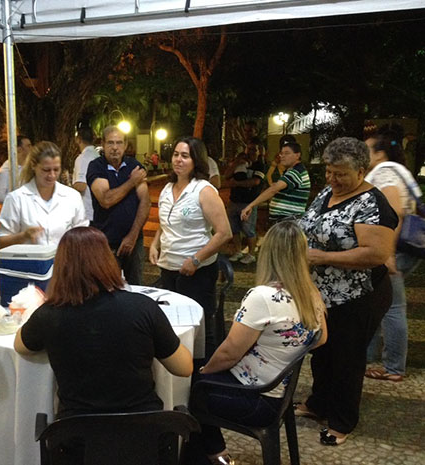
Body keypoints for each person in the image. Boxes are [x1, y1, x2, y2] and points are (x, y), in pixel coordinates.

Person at [15, 226, 193, 419]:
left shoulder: (49, 314)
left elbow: (20, 345)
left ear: (60, 267)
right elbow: (184, 368)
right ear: (108, 261)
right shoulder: (142, 307)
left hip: (76, 435)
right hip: (143, 432)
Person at [189, 221, 327, 465]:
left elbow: (230, 354)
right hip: (280, 392)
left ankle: (214, 455)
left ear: (269, 254)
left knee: (189, 388)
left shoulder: (263, 297)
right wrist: (283, 350)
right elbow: (321, 338)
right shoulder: (311, 292)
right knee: (198, 374)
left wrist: (204, 372)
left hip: (257, 398)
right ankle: (214, 452)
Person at [296, 137, 398, 445]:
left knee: (347, 358)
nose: (332, 179)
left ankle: (342, 420)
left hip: (359, 296)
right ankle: (319, 403)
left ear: (362, 171)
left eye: (340, 173)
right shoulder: (328, 193)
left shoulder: (372, 204)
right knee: (322, 351)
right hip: (323, 293)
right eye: (329, 171)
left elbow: (376, 254)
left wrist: (322, 257)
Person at [149, 137, 232, 329]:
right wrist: (155, 244)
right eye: (176, 155)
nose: (178, 159)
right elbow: (165, 221)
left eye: (185, 156)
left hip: (196, 271)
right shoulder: (167, 188)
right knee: (173, 323)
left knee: (199, 326)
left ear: (196, 160)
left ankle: (203, 360)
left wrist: (196, 260)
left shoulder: (204, 190)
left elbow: (224, 232)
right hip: (169, 268)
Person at [364, 131, 422, 382]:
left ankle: (394, 367)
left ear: (380, 153)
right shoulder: (397, 170)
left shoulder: (385, 171)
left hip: (394, 249)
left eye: (367, 149)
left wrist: (387, 254)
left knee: (392, 307)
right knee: (378, 301)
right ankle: (367, 355)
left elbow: (394, 212)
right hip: (403, 247)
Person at [87, 126, 150, 284]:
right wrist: (132, 182)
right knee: (106, 287)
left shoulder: (134, 166)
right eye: (110, 143)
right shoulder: (96, 167)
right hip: (106, 242)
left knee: (136, 288)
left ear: (126, 144)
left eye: (119, 143)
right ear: (103, 144)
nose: (115, 148)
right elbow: (106, 200)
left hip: (134, 241)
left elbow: (145, 201)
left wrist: (133, 235)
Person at [0, 141, 87, 248]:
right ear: (33, 166)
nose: (52, 175)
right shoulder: (16, 198)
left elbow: (82, 234)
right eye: (46, 170)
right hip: (31, 263)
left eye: (56, 170)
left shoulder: (72, 197)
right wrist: (23, 236)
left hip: (65, 262)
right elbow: (2, 242)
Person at [241, 141, 310, 224]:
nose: (282, 156)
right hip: (286, 221)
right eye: (281, 153)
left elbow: (273, 189)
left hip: (289, 221)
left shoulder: (296, 172)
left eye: (287, 153)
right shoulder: (290, 171)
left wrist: (250, 205)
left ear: (297, 155)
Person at [223, 140, 265, 264]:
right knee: (234, 228)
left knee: (248, 229)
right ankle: (238, 251)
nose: (251, 152)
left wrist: (237, 184)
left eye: (254, 149)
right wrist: (236, 163)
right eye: (249, 149)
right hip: (234, 201)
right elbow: (226, 175)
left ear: (259, 152)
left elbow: (255, 181)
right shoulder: (239, 163)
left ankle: (251, 253)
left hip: (249, 202)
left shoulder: (259, 165)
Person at [0, 135, 32, 204]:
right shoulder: (6, 170)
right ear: (19, 149)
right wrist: (19, 199)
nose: (31, 148)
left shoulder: (30, 167)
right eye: (28, 146)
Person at [72, 127, 100, 222]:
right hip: (98, 210)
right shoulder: (97, 156)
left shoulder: (83, 158)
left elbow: (81, 186)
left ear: (78, 139)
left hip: (87, 212)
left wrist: (67, 187)